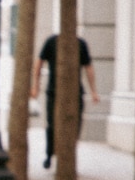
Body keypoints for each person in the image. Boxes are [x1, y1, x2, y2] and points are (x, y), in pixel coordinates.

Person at [33, 33, 99, 168]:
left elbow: (88, 67)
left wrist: (93, 91)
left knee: (75, 125)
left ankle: (68, 155)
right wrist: (36, 86)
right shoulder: (51, 42)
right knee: (52, 124)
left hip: (75, 92)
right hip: (53, 91)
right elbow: (39, 62)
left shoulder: (80, 44)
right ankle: (49, 154)